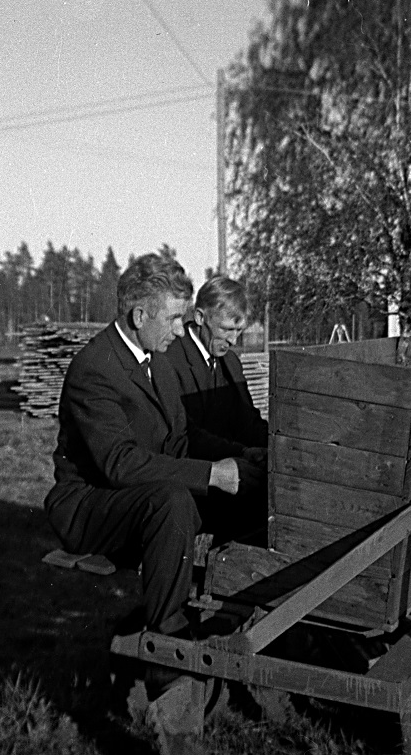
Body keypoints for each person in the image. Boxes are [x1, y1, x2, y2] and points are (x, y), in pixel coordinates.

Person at [44, 254, 259, 649]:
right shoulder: (95, 368)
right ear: (140, 316)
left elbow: (180, 438)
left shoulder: (155, 361)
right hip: (90, 504)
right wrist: (211, 475)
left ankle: (241, 606)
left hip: (135, 491)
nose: (181, 331)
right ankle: (167, 637)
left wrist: (241, 457)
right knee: (172, 501)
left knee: (246, 489)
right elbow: (119, 464)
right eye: (174, 319)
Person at [165, 276, 269, 546]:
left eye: (239, 331)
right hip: (191, 481)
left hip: (231, 471)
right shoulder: (169, 359)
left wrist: (279, 447)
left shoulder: (229, 362)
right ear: (200, 317)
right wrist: (241, 453)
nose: (234, 340)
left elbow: (249, 421)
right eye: (226, 330)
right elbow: (182, 435)